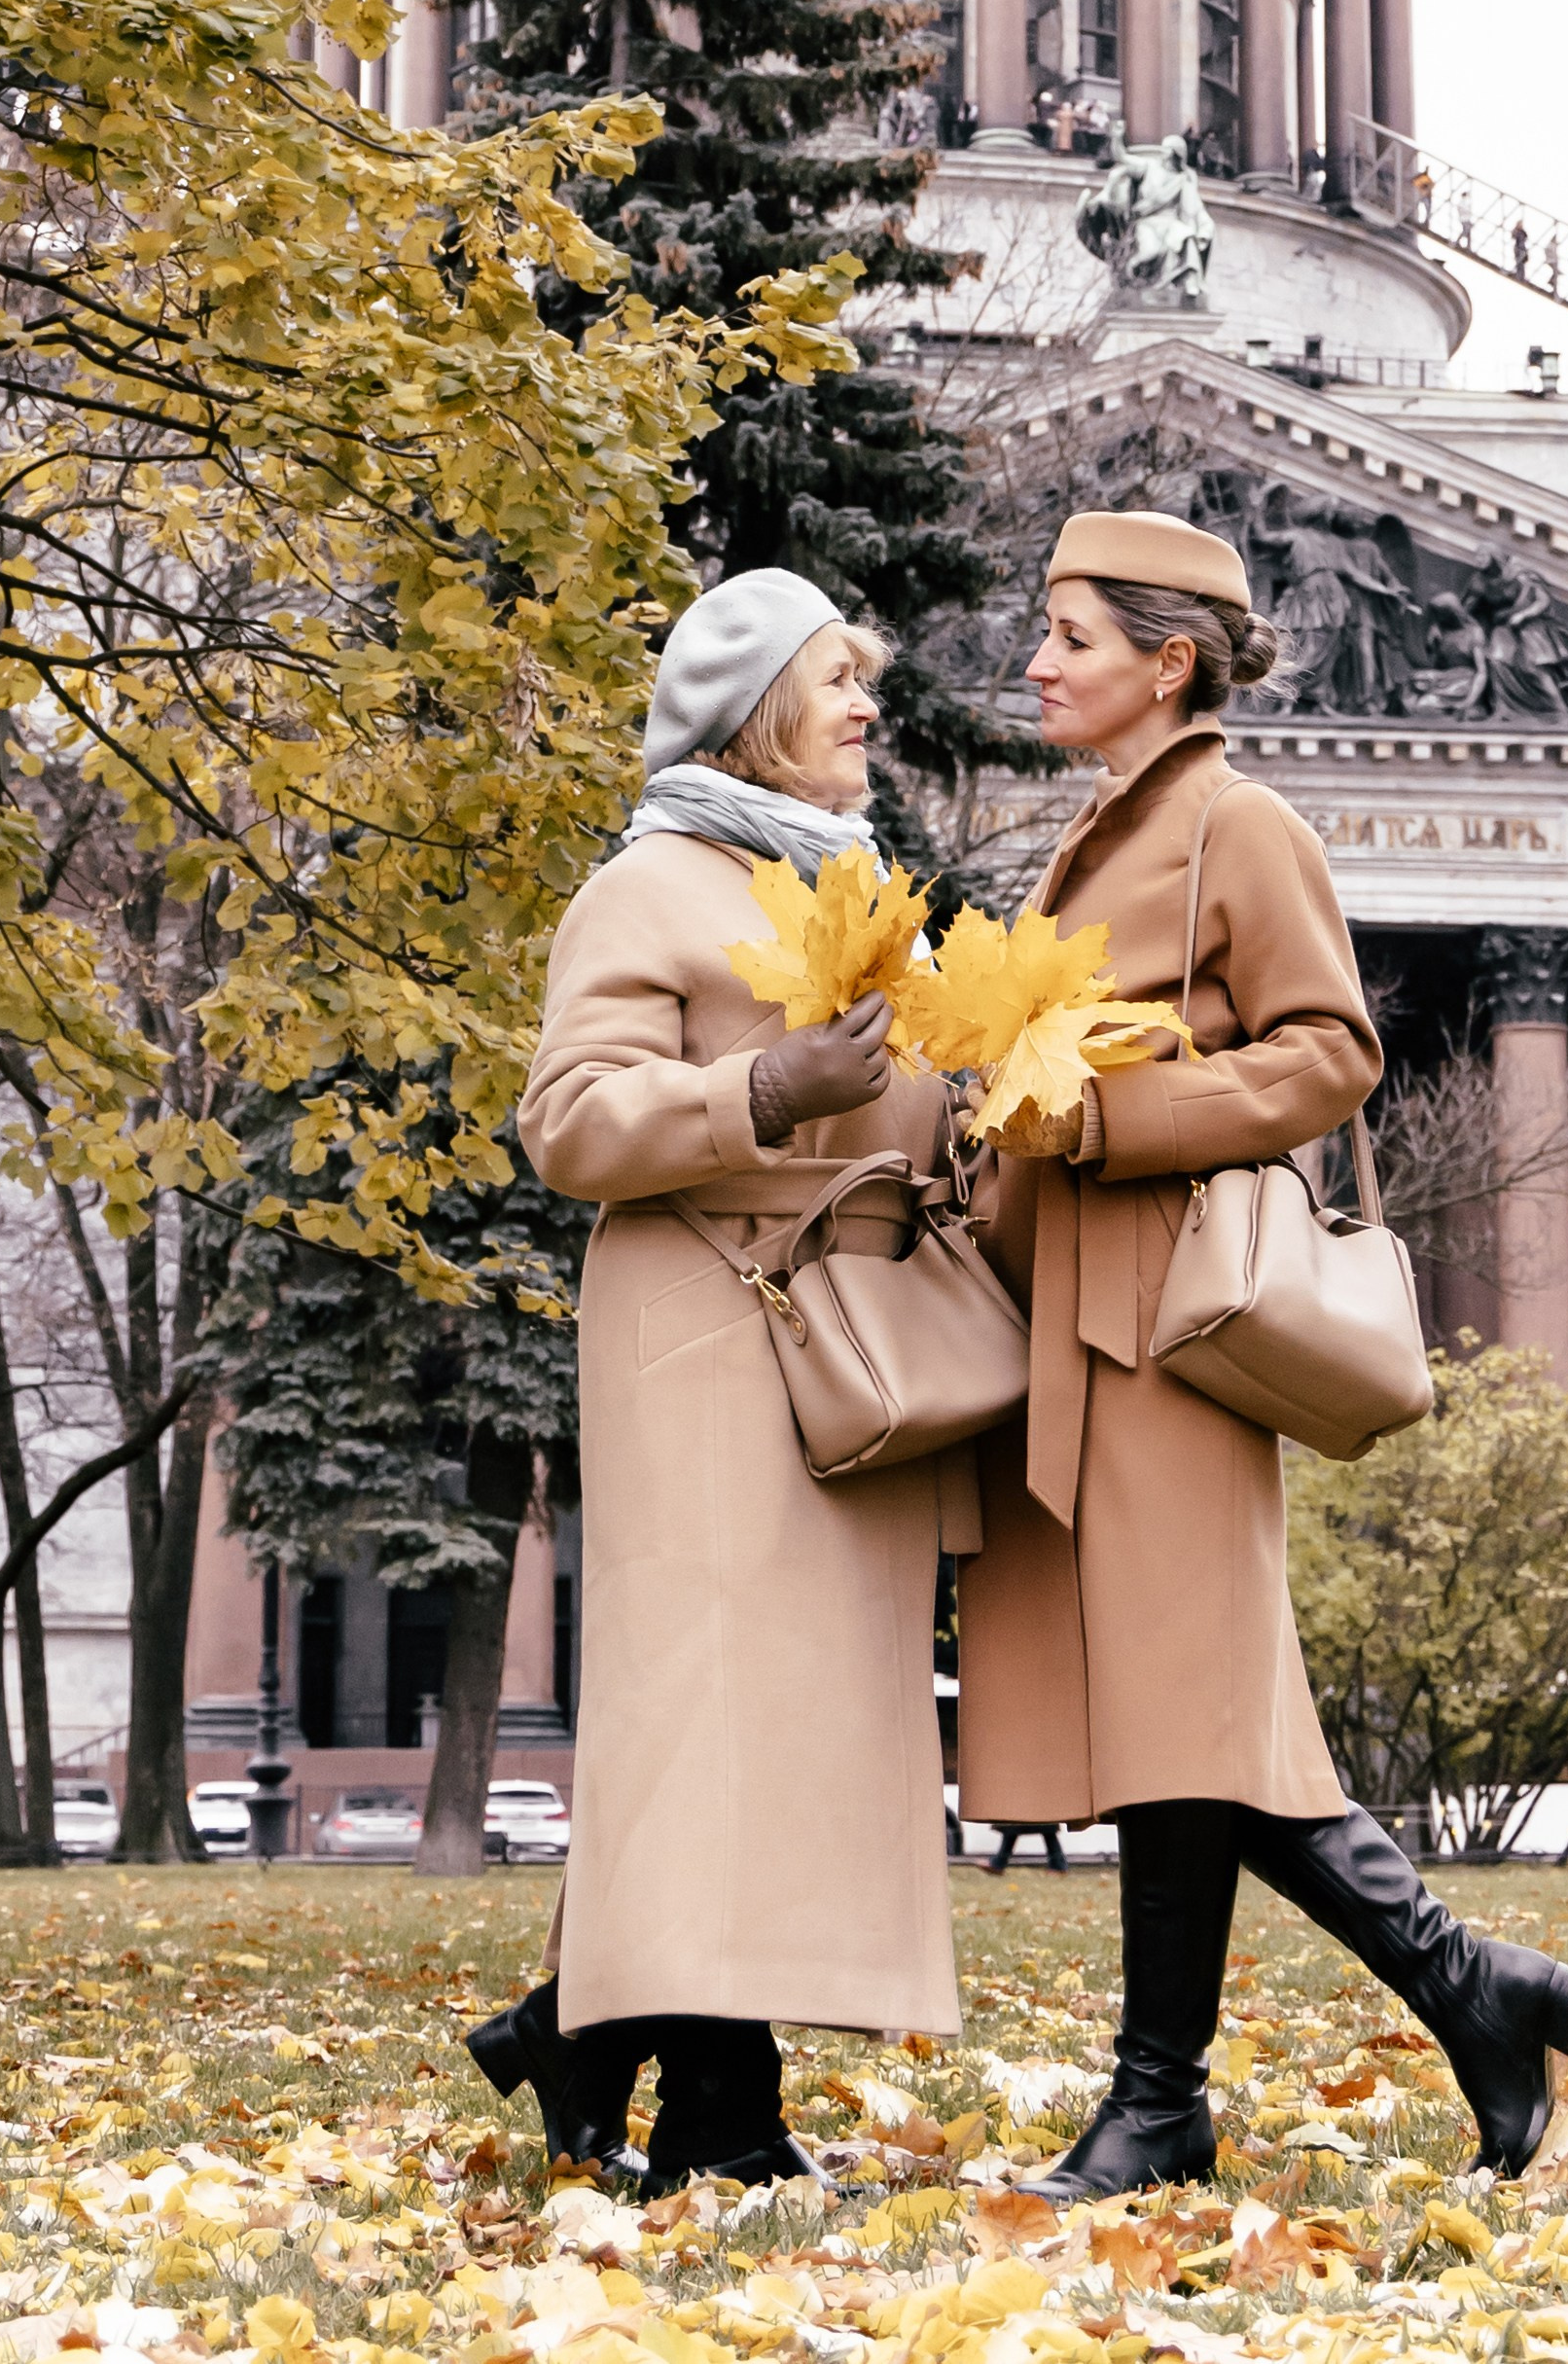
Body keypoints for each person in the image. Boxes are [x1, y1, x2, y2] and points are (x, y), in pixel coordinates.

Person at [957, 509, 1568, 2203]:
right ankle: (1220, 2083)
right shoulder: (1094, 841)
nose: (1035, 662)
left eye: (1070, 638)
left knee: (1197, 1728)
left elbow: (1327, 1054)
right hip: (1081, 1330)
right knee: (1179, 1738)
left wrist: (1108, 1116)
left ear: (1164, 662)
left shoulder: (1233, 827)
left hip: (1173, 1328)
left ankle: (1432, 1997)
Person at [469, 570, 960, 2197]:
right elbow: (571, 1122)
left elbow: (898, 1107)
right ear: (754, 705)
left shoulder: (860, 887)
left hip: (832, 1331)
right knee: (711, 1723)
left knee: (773, 1730)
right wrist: (763, 1083)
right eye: (836, 680)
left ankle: (573, 2032)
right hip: (695, 1329)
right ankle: (717, 2121)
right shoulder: (651, 885)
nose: (863, 706)